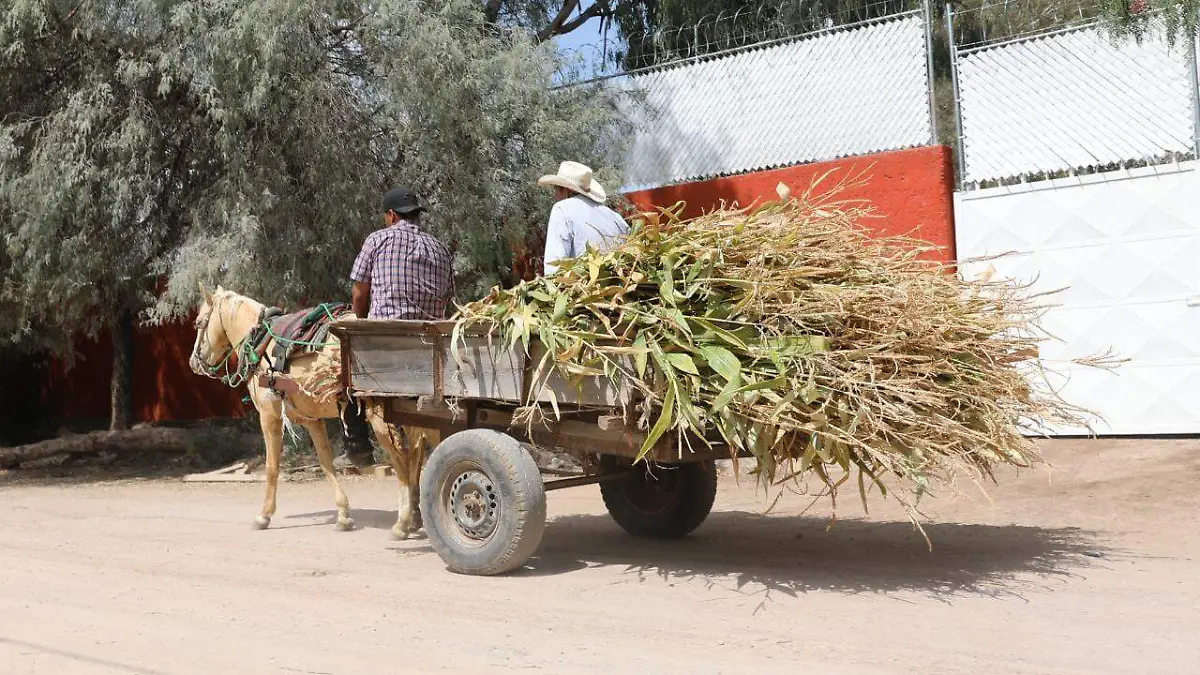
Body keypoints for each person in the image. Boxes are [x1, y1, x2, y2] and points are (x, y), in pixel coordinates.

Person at [335, 186, 455, 469]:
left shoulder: (377, 240)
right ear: (415, 215)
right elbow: (448, 297)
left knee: (341, 367)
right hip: (430, 345)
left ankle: (358, 445)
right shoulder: (439, 248)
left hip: (387, 341)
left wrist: (358, 320)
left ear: (391, 215)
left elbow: (359, 292)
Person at [537, 161, 629, 275]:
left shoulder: (562, 209)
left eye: (556, 189)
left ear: (566, 190)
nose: (555, 195)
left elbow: (555, 266)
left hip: (583, 290)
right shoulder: (616, 218)